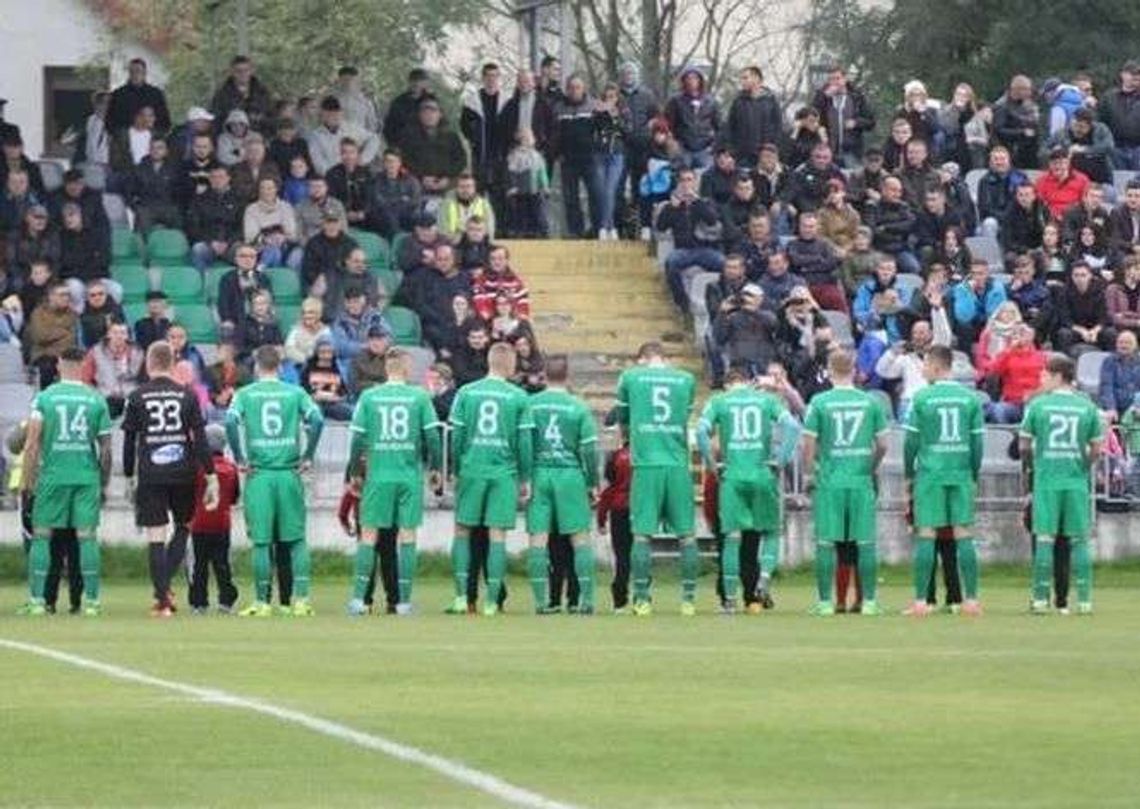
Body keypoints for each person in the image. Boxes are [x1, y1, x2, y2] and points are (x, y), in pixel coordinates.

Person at [226, 345, 324, 617]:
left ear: (257, 366)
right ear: (280, 367)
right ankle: (301, 601)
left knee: (261, 541)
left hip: (260, 474)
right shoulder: (295, 393)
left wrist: (240, 457)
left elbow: (231, 423)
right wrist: (307, 456)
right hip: (289, 472)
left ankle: (262, 602)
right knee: (296, 540)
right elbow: (317, 420)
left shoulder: (245, 394)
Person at [121, 340, 218, 616]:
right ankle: (162, 592)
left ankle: (162, 598)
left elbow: (129, 441)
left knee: (155, 535)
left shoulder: (137, 396)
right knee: (183, 526)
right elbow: (200, 439)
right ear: (173, 364)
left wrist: (129, 476)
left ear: (149, 363)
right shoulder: (187, 395)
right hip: (183, 471)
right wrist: (210, 474)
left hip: (151, 473)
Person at [344, 348, 443, 616]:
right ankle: (403, 603)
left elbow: (357, 440)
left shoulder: (370, 397)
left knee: (369, 535)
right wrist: (435, 468)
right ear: (407, 368)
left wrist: (355, 472)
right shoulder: (419, 397)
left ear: (387, 368)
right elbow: (433, 437)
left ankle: (357, 601)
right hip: (408, 476)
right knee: (407, 536)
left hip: (378, 476)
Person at [16, 348, 112, 616]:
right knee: (87, 537)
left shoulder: (44, 398)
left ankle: (37, 601)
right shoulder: (96, 399)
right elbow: (106, 448)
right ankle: (92, 602)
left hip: (53, 476)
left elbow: (32, 443)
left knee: (42, 535)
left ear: (59, 365)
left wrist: (27, 480)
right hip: (85, 477)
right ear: (83, 366)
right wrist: (102, 483)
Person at [697, 368, 800, 612]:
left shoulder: (719, 401)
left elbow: (701, 431)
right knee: (771, 532)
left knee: (732, 538)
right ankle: (763, 580)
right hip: (762, 473)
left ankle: (730, 601)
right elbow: (793, 427)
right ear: (747, 382)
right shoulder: (766, 400)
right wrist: (780, 460)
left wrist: (713, 465)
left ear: (727, 385)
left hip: (732, 475)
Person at [445, 341, 533, 615]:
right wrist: (525, 477)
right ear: (510, 364)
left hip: (472, 468)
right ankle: (493, 602)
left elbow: (456, 435)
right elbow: (525, 442)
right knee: (497, 536)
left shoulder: (466, 392)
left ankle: (461, 598)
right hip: (503, 473)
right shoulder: (519, 397)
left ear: (490, 362)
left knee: (462, 530)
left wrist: (455, 469)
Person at [800, 349, 888, 615]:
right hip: (860, 479)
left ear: (828, 370)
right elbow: (883, 444)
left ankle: (825, 603)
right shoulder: (871, 402)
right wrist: (869, 466)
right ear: (855, 370)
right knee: (865, 542)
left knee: (827, 542)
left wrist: (810, 473)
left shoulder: (819, 401)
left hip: (830, 480)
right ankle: (870, 603)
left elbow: (808, 444)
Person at [615, 341, 697, 615]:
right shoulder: (686, 379)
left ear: (642, 358)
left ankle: (641, 599)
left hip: (647, 463)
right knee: (686, 535)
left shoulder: (630, 377)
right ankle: (688, 600)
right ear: (664, 357)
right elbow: (684, 417)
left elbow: (623, 419)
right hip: (676, 463)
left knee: (641, 535)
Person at [903, 345, 984, 616]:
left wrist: (908, 474)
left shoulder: (922, 398)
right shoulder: (970, 399)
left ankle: (921, 602)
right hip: (960, 473)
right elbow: (977, 443)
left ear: (937, 367)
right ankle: (971, 601)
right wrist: (973, 473)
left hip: (930, 474)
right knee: (964, 534)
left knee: (926, 534)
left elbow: (911, 442)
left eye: (925, 364)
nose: (923, 369)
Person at [1019, 355, 1103, 614]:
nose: (1041, 379)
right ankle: (1085, 602)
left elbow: (1023, 445)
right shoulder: (1087, 407)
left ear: (1057, 376)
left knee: (1044, 538)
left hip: (1047, 480)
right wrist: (1082, 466)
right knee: (1079, 540)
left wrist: (1033, 464)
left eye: (1045, 374)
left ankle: (1041, 599)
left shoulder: (1038, 406)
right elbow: (1096, 449)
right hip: (1076, 480)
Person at [524, 354, 599, 614]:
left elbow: (524, 443)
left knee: (538, 538)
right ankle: (586, 601)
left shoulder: (530, 404)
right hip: (570, 473)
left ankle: (540, 602)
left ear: (544, 374)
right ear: (567, 376)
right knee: (579, 537)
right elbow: (589, 450)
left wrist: (524, 477)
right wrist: (592, 483)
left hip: (540, 472)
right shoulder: (578, 407)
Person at [655, 166, 725, 309]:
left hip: (705, 249)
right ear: (678, 183)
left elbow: (712, 219)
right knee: (671, 263)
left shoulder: (705, 202)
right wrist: (671, 208)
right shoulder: (672, 205)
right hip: (684, 250)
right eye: (683, 180)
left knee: (726, 265)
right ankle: (682, 303)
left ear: (695, 182)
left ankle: (721, 299)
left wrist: (697, 202)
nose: (686, 184)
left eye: (689, 180)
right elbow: (660, 227)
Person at [188, 424, 240, 613]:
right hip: (222, 524)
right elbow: (234, 498)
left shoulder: (196, 468)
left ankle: (199, 602)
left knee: (199, 566)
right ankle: (226, 601)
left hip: (199, 523)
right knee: (223, 564)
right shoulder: (231, 468)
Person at [554, 76, 600, 238]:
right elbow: (555, 134)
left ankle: (596, 230)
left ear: (584, 88)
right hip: (568, 160)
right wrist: (557, 153)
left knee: (595, 195)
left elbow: (601, 131)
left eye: (578, 87)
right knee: (570, 197)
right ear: (567, 89)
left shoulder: (594, 106)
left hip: (590, 159)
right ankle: (576, 231)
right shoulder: (559, 108)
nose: (574, 91)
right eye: (571, 88)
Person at [459, 63, 509, 210]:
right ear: (483, 78)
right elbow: (464, 125)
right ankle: (478, 230)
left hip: (501, 156)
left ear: (499, 78)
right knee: (478, 195)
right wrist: (473, 139)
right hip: (480, 156)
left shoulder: (507, 101)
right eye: (488, 76)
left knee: (499, 196)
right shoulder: (471, 101)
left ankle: (499, 230)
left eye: (495, 76)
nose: (491, 79)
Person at [401, 98, 467, 199]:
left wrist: (447, 179)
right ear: (419, 115)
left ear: (440, 114)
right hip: (417, 185)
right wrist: (421, 177)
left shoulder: (451, 137)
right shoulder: (409, 137)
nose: (429, 115)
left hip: (447, 184)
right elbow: (404, 161)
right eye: (425, 111)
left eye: (433, 111)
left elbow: (461, 161)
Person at [811, 65, 875, 167]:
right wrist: (824, 97)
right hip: (828, 152)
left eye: (837, 78)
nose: (834, 82)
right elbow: (811, 116)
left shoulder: (857, 97)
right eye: (831, 79)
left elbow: (871, 122)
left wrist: (856, 123)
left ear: (845, 79)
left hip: (852, 152)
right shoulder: (822, 96)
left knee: (852, 180)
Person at [984, 324, 1045, 424]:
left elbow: (1047, 380)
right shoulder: (1006, 355)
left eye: (1024, 334)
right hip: (1013, 403)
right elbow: (993, 371)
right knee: (998, 410)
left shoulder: (1041, 357)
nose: (1020, 337)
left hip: (1035, 402)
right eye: (1016, 334)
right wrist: (1009, 350)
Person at [592, 83, 630, 240]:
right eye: (607, 97)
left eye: (612, 97)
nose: (610, 100)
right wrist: (600, 113)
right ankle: (604, 226)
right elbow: (593, 128)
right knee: (601, 191)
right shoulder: (598, 112)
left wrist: (615, 117)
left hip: (616, 154)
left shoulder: (624, 112)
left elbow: (628, 131)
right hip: (600, 153)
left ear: (617, 98)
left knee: (610, 190)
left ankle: (609, 226)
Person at [187, 164, 243, 271]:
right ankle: (205, 282)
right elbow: (193, 227)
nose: (217, 180)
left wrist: (228, 242)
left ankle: (240, 283)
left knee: (244, 252)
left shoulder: (238, 199)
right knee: (197, 249)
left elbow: (242, 227)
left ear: (228, 178)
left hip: (231, 244)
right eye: (213, 177)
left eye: (221, 177)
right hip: (208, 243)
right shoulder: (199, 199)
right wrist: (211, 241)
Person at [82, 321, 143, 418]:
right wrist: (95, 396)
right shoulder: (95, 352)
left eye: (123, 333)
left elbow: (144, 379)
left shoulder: (138, 353)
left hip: (130, 399)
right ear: (108, 334)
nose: (119, 336)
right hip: (105, 398)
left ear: (127, 336)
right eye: (115, 333)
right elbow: (85, 379)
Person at [1054, 260, 1115, 356]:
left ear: (1090, 275)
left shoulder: (1099, 290)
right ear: (1072, 276)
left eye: (1083, 275)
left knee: (1111, 333)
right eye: (1076, 275)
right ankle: (1066, 366)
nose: (1080, 278)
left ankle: (1112, 363)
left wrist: (1094, 331)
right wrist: (1082, 331)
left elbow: (1104, 316)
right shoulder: (1065, 292)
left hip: (1095, 330)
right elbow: (1065, 318)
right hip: (1075, 330)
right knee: (1064, 334)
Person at [664, 67, 720, 170]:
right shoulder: (675, 101)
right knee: (681, 178)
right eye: (688, 78)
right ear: (683, 81)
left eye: (695, 78)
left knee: (704, 180)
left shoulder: (711, 102)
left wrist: (714, 146)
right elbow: (667, 124)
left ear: (700, 81)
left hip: (705, 149)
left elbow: (719, 126)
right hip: (683, 148)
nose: (691, 81)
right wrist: (672, 141)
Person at [210, 55, 274, 134]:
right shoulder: (222, 95)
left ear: (251, 71)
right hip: (231, 139)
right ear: (232, 72)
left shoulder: (262, 92)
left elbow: (271, 116)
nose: (243, 74)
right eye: (238, 71)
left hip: (258, 138)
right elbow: (216, 121)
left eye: (246, 70)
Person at [505, 129, 550, 238]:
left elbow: (542, 172)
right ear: (522, 140)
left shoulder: (537, 156)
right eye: (529, 137)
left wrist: (545, 186)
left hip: (535, 189)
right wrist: (512, 186)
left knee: (537, 210)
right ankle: (521, 230)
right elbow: (512, 172)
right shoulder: (515, 155)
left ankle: (540, 230)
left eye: (532, 137)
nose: (532, 139)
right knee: (521, 210)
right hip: (521, 190)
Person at [107, 57, 171, 134]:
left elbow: (164, 121)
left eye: (138, 71)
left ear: (144, 73)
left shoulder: (155, 94)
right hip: (125, 140)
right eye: (131, 71)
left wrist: (153, 134)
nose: (134, 75)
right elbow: (110, 121)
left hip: (149, 139)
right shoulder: (118, 94)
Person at [384, 69, 434, 153]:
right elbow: (389, 127)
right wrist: (394, 147)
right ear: (409, 82)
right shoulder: (399, 102)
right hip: (402, 147)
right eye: (414, 80)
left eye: (420, 81)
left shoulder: (432, 102)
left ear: (426, 84)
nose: (416, 84)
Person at [1098, 330, 1140, 421]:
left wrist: (1138, 405)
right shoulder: (1109, 361)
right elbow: (1107, 386)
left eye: (1128, 343)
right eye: (1120, 342)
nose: (1124, 345)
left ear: (1135, 345)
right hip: (1116, 406)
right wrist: (1111, 408)